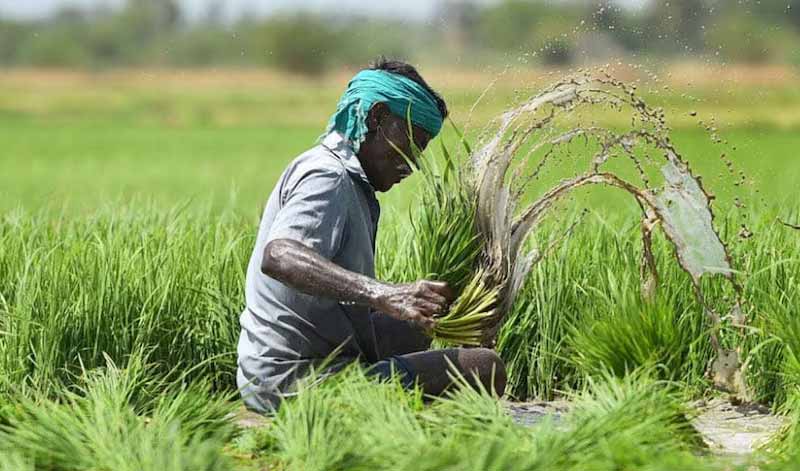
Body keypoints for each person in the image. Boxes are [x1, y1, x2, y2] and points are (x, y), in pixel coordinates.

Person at [237, 58, 507, 413]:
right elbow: (280, 256)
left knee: (421, 325)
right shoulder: (328, 177)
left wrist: (439, 310)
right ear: (377, 118)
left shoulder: (349, 181)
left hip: (293, 369)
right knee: (486, 367)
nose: (413, 164)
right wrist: (382, 293)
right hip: (295, 382)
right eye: (413, 142)